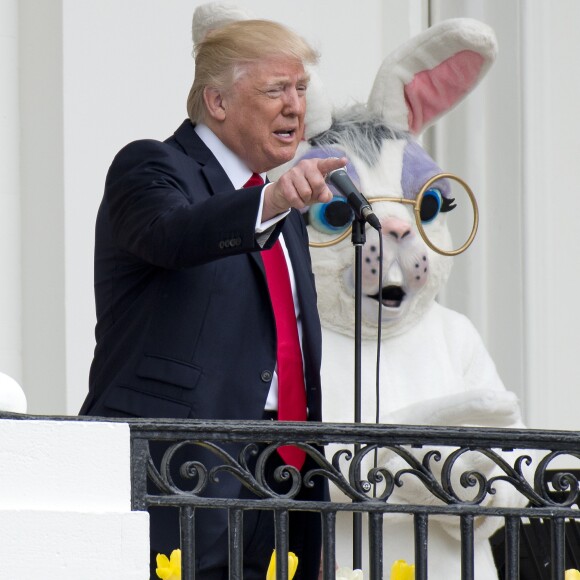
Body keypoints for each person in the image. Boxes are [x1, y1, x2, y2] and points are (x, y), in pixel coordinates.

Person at [79, 17, 345, 580]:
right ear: (217, 101)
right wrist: (268, 202)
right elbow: (174, 233)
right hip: (179, 471)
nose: (296, 108)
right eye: (276, 90)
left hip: (284, 477)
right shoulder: (152, 167)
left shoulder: (280, 205)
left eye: (300, 89)